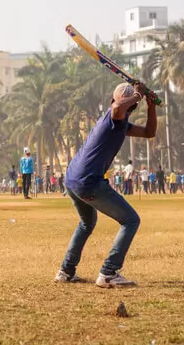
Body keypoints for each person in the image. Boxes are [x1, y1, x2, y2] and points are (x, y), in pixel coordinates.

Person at [55, 82, 157, 288]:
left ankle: (65, 271)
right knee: (131, 220)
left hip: (73, 179)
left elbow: (148, 132)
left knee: (86, 224)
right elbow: (118, 108)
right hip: (87, 182)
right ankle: (109, 273)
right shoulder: (112, 117)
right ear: (113, 102)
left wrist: (151, 105)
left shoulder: (122, 124)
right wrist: (138, 94)